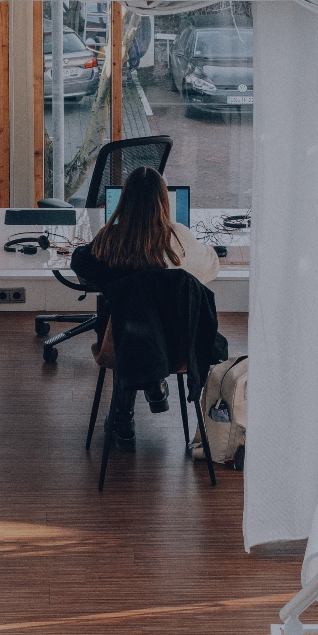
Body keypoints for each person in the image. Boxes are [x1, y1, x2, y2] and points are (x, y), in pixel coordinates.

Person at [70, 165, 219, 451]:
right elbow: (211, 265)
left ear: (124, 199)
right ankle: (153, 383)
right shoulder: (179, 238)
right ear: (164, 201)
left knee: (126, 324)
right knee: (142, 326)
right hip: (176, 347)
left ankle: (123, 422)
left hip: (121, 345)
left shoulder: (109, 240)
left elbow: (80, 263)